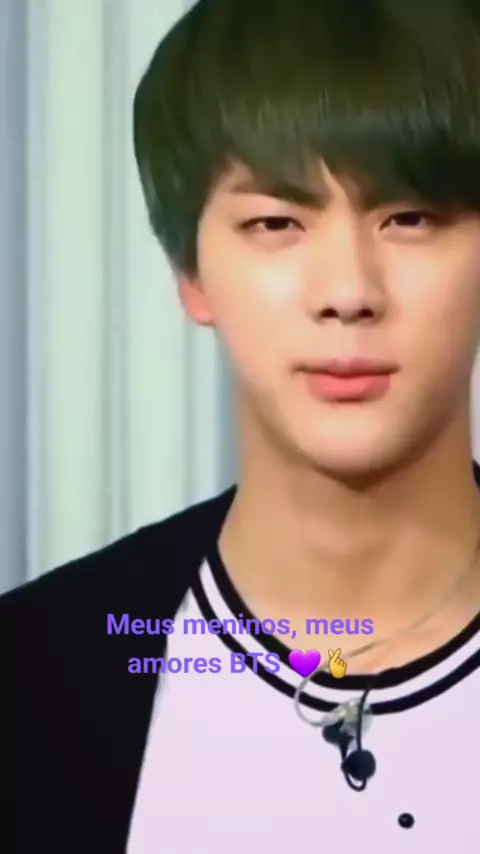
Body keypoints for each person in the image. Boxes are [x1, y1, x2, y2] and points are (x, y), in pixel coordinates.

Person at [4, 0, 480, 850]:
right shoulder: (38, 673)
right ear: (190, 271)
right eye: (276, 223)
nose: (348, 291)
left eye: (409, 217)